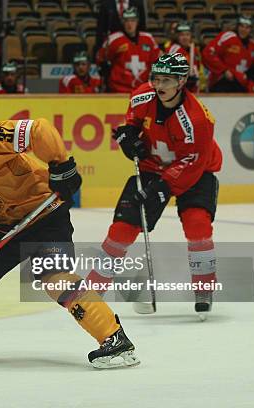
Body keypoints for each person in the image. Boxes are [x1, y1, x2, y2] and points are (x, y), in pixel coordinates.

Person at [0, 111, 140, 369]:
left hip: (45, 217)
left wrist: (60, 164)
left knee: (56, 279)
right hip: (2, 227)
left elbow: (37, 130)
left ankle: (115, 339)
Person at [85, 54, 223, 316]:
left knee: (197, 225)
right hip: (152, 166)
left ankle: (204, 286)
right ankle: (92, 289)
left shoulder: (198, 120)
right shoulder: (142, 96)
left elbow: (192, 161)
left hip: (196, 171)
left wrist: (164, 186)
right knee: (122, 229)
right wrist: (127, 137)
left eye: (166, 80)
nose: (159, 85)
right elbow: (132, 122)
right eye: (156, 79)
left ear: (181, 81)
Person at [96, 7, 160, 93]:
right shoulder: (113, 39)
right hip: (119, 91)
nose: (129, 24)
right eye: (126, 21)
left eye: (132, 20)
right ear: (122, 22)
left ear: (137, 22)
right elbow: (100, 58)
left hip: (143, 91)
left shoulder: (148, 38)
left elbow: (157, 60)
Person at [202, 15, 254, 93]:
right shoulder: (228, 37)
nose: (244, 30)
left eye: (247, 27)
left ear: (251, 29)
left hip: (242, 84)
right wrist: (224, 70)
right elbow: (208, 53)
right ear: (237, 26)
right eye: (242, 26)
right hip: (221, 81)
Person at [165, 22, 201, 92]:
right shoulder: (174, 49)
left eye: (187, 35)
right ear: (177, 36)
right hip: (177, 89)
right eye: (182, 35)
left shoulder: (194, 49)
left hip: (192, 89)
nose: (185, 37)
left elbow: (197, 67)